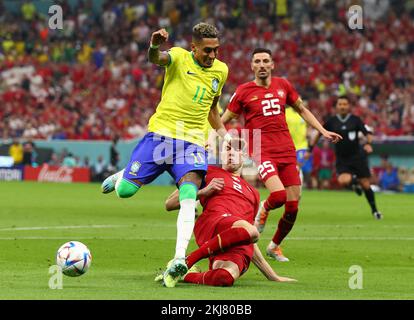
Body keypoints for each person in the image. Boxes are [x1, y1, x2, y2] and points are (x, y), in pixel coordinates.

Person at [101, 23, 232, 286]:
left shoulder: (221, 70)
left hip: (193, 142)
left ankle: (179, 259)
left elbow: (213, 108)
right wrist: (153, 45)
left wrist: (226, 137)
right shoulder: (179, 56)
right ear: (193, 47)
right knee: (125, 191)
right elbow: (156, 58)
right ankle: (123, 175)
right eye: (207, 50)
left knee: (188, 196)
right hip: (161, 135)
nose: (212, 56)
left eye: (216, 50)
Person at [221, 48, 342, 261]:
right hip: (262, 150)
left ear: (272, 64)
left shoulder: (283, 85)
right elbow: (224, 119)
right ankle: (263, 210)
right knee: (278, 196)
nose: (261, 65)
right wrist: (209, 137)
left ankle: (274, 246)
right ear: (252, 66)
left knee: (293, 207)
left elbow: (302, 110)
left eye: (265, 61)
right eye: (257, 61)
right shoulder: (243, 91)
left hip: (287, 150)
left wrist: (322, 131)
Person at [158, 139, 296, 287]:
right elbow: (170, 204)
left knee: (224, 277)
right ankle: (187, 260)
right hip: (213, 223)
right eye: (228, 149)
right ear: (221, 154)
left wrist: (272, 276)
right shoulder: (207, 172)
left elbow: (248, 236)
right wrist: (205, 191)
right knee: (251, 230)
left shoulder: (254, 193)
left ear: (243, 155)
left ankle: (184, 273)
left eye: (236, 150)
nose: (231, 153)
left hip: (234, 241)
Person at [308, 96, 383, 219]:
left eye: (345, 104)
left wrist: (369, 144)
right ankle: (355, 184)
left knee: (366, 185)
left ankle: (375, 211)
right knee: (343, 181)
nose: (342, 106)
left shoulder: (355, 120)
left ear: (348, 106)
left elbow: (368, 133)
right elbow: (318, 132)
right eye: (340, 104)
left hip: (357, 157)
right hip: (342, 159)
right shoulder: (332, 121)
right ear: (336, 106)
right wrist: (310, 148)